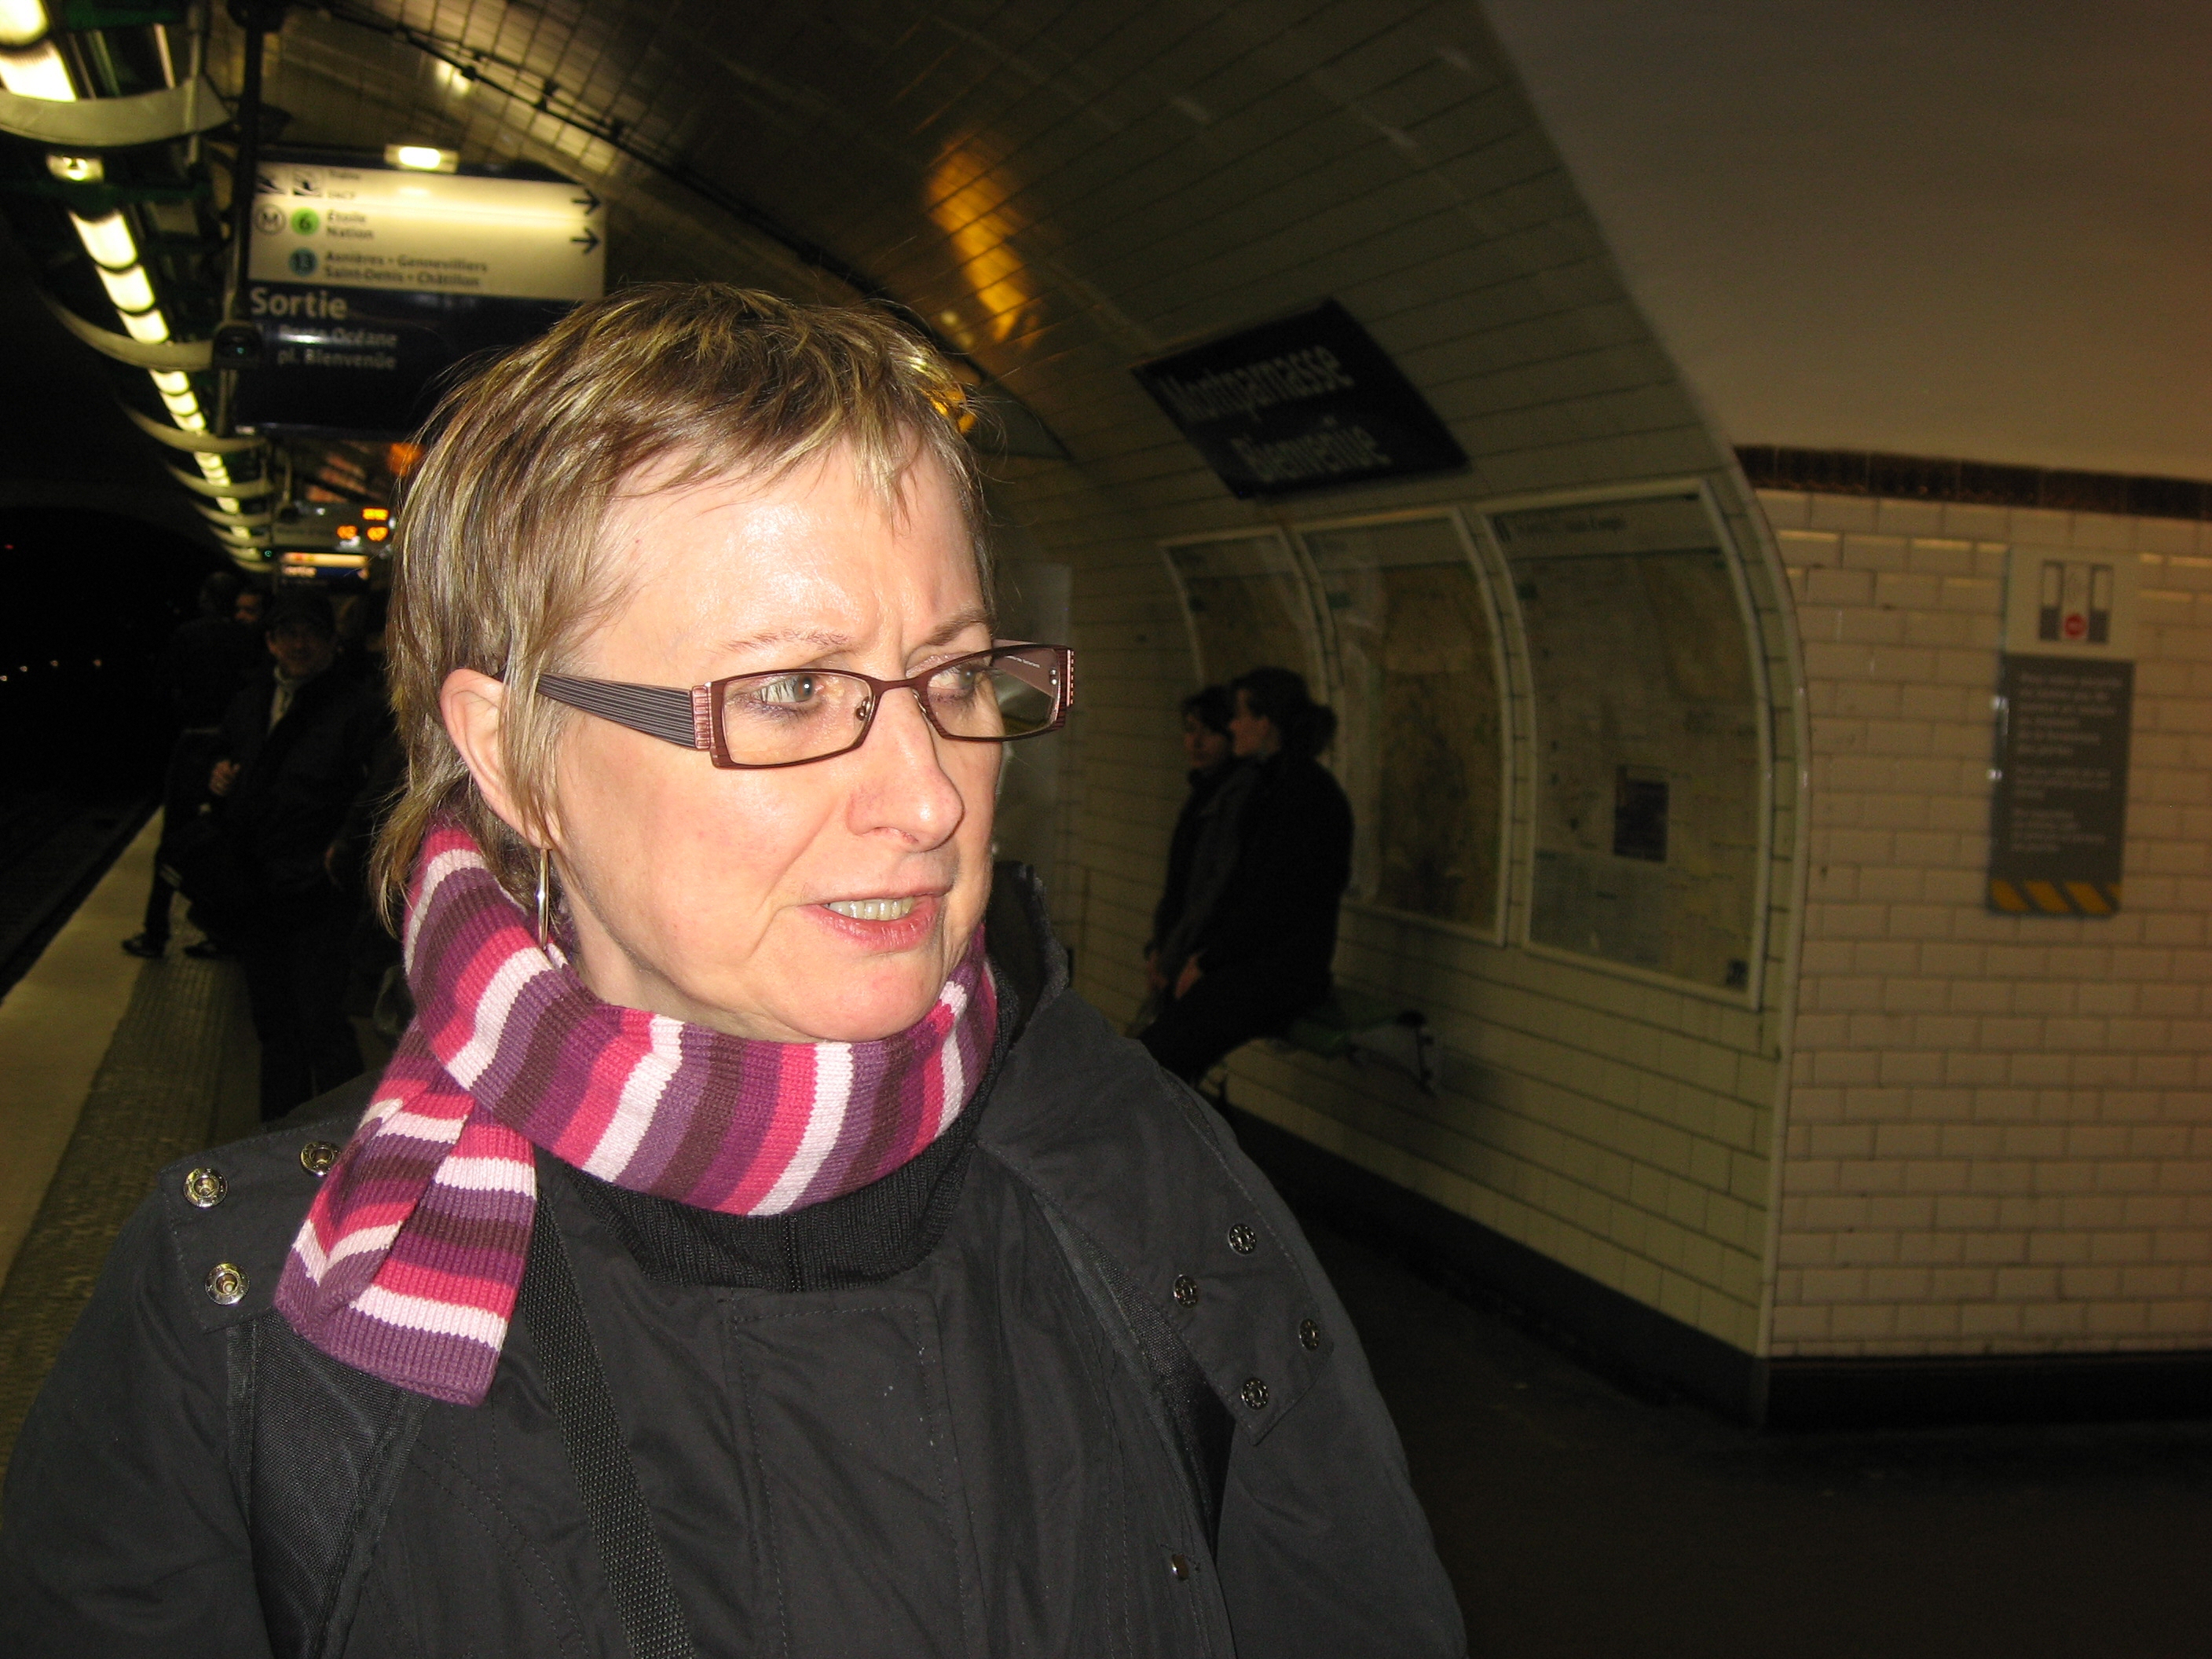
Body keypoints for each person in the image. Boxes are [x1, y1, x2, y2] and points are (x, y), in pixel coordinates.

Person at [0, 285, 1463, 1658]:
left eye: (958, 678)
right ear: (514, 753)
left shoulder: (1142, 1177)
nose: (931, 798)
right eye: (791, 690)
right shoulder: (259, 1310)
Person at [206, 586, 389, 1119]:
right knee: (273, 1022)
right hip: (257, 884)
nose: (300, 645)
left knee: (320, 1020)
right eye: (289, 634)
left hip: (317, 891)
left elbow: (377, 791)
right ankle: (279, 1133)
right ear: (270, 641)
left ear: (332, 643)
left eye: (312, 634)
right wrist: (218, 775)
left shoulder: (357, 708)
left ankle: (342, 1139)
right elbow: (227, 756)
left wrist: (340, 854)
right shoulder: (251, 701)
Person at [1137, 666, 1354, 1084]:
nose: (1233, 725)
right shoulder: (1284, 786)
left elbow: (1270, 901)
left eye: (1239, 715)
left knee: (1163, 1052)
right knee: (1162, 1049)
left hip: (1280, 972)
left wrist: (1208, 959)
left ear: (1265, 722)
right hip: (1266, 965)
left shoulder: (1298, 795)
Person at [121, 569, 256, 958]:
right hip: (232, 750)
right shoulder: (248, 640)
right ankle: (221, 931)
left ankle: (155, 932)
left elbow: (162, 687)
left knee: (173, 839)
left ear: (206, 599)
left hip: (193, 744)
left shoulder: (187, 635)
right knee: (224, 840)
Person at [1139, 683, 1234, 1023]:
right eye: (1191, 730)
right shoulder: (1202, 795)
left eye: (1210, 732)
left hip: (1196, 956)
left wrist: (1172, 955)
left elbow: (1212, 887)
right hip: (1179, 951)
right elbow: (1179, 884)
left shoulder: (1228, 799)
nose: (1196, 742)